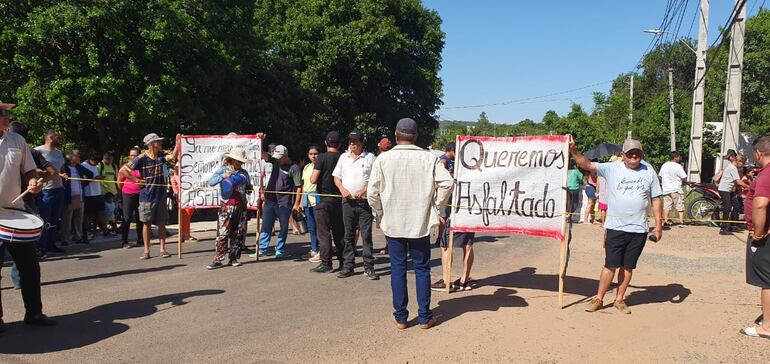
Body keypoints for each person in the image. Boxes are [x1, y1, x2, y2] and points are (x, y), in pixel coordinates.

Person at [368, 118, 453, 330]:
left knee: (398, 269)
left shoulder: (383, 159)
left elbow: (372, 193)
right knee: (422, 269)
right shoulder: (428, 158)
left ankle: (401, 317)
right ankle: (424, 317)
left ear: (396, 135)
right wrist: (436, 206)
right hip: (420, 223)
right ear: (416, 136)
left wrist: (380, 214)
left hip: (393, 222)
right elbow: (448, 182)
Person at [570, 137, 663, 315]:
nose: (634, 155)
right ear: (623, 155)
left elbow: (656, 198)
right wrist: (574, 151)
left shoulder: (649, 170)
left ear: (641, 154)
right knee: (610, 265)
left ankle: (619, 300)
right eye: (630, 153)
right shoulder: (612, 168)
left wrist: (658, 226)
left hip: (639, 229)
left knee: (628, 267)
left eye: (637, 152)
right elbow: (587, 165)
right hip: (615, 227)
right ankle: (598, 298)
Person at [0, 100, 56, 331]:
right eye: (2, 112)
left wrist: (32, 181)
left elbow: (29, 170)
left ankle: (34, 312)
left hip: (14, 213)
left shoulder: (17, 141)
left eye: (6, 112)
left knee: (29, 266)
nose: (6, 115)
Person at [122, 133, 179, 260]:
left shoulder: (161, 155)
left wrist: (178, 142)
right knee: (146, 224)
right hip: (147, 196)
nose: (160, 143)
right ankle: (146, 250)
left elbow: (173, 156)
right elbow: (123, 170)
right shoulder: (141, 158)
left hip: (160, 195)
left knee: (162, 223)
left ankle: (162, 249)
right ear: (151, 144)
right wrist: (135, 179)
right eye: (158, 141)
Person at [333, 130, 378, 280]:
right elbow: (337, 178)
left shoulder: (370, 157)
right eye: (350, 141)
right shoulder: (343, 157)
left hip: (364, 202)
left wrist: (364, 189)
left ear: (362, 142)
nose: (352, 143)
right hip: (347, 202)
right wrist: (342, 189)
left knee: (366, 235)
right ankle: (348, 265)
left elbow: (375, 178)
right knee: (348, 234)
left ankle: (369, 266)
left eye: (356, 141)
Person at [740, 136, 770, 339]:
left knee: (767, 282)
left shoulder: (766, 175)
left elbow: (760, 204)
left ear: (758, 153)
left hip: (766, 237)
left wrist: (758, 234)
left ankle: (766, 326)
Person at [206, 147, 253, 269]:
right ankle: (218, 259)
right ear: (232, 160)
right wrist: (223, 176)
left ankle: (234, 257)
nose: (240, 163)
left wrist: (249, 188)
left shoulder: (244, 173)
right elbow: (211, 182)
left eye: (241, 161)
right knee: (222, 233)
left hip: (240, 206)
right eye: (238, 161)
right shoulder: (223, 170)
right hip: (226, 206)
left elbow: (248, 187)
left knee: (237, 233)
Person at [255, 145, 302, 258]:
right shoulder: (275, 161)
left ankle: (279, 249)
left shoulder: (294, 168)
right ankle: (262, 248)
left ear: (285, 156)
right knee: (266, 225)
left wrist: (296, 204)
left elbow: (299, 187)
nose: (277, 159)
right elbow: (262, 154)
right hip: (270, 199)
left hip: (284, 202)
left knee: (284, 226)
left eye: (279, 157)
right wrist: (259, 141)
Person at [310, 132, 346, 273]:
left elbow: (313, 179)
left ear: (325, 143)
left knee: (324, 233)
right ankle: (344, 262)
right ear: (340, 144)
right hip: (340, 199)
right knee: (339, 232)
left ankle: (326, 263)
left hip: (324, 199)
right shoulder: (343, 158)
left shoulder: (322, 158)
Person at [31, 130, 66, 254]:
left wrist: (63, 174)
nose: (60, 139)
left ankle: (51, 244)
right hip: (45, 191)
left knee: (55, 219)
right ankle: (41, 246)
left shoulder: (59, 153)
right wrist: (39, 171)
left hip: (59, 189)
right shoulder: (37, 151)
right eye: (58, 137)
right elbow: (29, 167)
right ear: (50, 137)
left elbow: (59, 169)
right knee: (44, 220)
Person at [60, 150, 93, 245]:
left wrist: (84, 183)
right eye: (77, 156)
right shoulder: (64, 167)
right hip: (69, 195)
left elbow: (90, 174)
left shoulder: (79, 167)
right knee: (67, 218)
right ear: (70, 157)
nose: (79, 157)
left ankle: (78, 236)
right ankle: (65, 238)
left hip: (80, 195)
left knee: (79, 217)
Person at [715, 153, 750, 235]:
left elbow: (734, 181)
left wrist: (738, 187)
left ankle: (733, 225)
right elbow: (738, 181)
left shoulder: (733, 168)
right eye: (743, 163)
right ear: (739, 161)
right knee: (727, 208)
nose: (743, 165)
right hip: (724, 190)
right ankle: (723, 228)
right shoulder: (732, 168)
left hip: (730, 190)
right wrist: (749, 186)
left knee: (737, 205)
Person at [118, 147, 144, 248]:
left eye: (135, 155)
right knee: (127, 218)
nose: (133, 157)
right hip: (127, 194)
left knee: (140, 218)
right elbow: (119, 182)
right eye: (131, 155)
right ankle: (124, 241)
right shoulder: (125, 167)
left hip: (140, 194)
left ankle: (140, 239)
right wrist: (124, 191)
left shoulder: (141, 166)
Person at [81, 153, 109, 239]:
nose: (97, 164)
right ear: (91, 159)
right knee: (88, 215)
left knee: (101, 213)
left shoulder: (96, 166)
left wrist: (100, 178)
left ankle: (103, 231)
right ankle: (86, 232)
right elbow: (83, 182)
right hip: (89, 194)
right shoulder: (83, 166)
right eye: (96, 162)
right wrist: (94, 179)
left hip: (98, 193)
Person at [659, 151, 688, 227]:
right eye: (679, 156)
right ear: (676, 157)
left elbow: (660, 176)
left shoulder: (664, 165)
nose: (680, 158)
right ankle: (681, 222)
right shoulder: (678, 166)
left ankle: (666, 221)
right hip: (676, 189)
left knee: (667, 206)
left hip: (666, 189)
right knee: (680, 205)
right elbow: (684, 177)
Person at [302, 146, 321, 261]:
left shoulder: (320, 166)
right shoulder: (306, 167)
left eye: (315, 153)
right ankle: (314, 248)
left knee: (320, 226)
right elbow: (304, 185)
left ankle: (321, 250)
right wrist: (300, 202)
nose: (313, 156)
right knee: (311, 226)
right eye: (311, 154)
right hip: (307, 199)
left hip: (317, 198)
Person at [170, 165, 197, 242]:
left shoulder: (189, 174)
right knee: (185, 215)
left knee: (187, 215)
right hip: (182, 197)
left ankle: (184, 233)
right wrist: (176, 191)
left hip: (191, 195)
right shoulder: (176, 175)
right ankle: (185, 234)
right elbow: (173, 181)